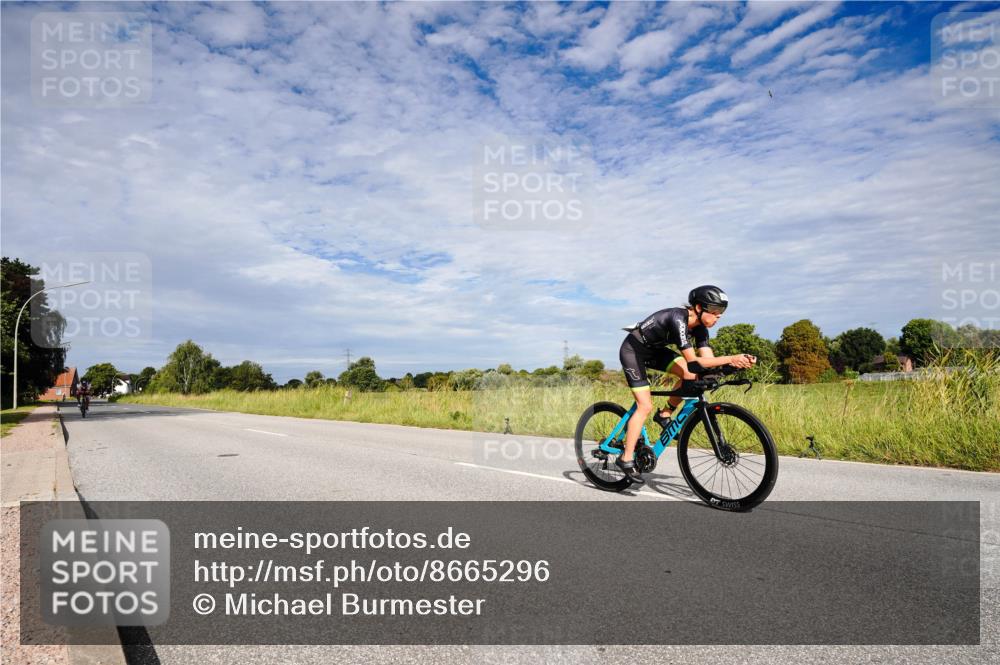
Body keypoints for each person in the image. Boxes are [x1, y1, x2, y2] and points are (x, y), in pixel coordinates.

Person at [616, 285, 756, 483]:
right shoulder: (678, 319)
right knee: (644, 406)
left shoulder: (701, 330)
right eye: (715, 311)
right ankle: (626, 458)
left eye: (722, 313)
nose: (719, 317)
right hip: (633, 351)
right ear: (699, 307)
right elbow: (694, 361)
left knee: (691, 375)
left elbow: (707, 361)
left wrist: (733, 365)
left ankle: (665, 414)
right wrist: (731, 357)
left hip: (656, 351)